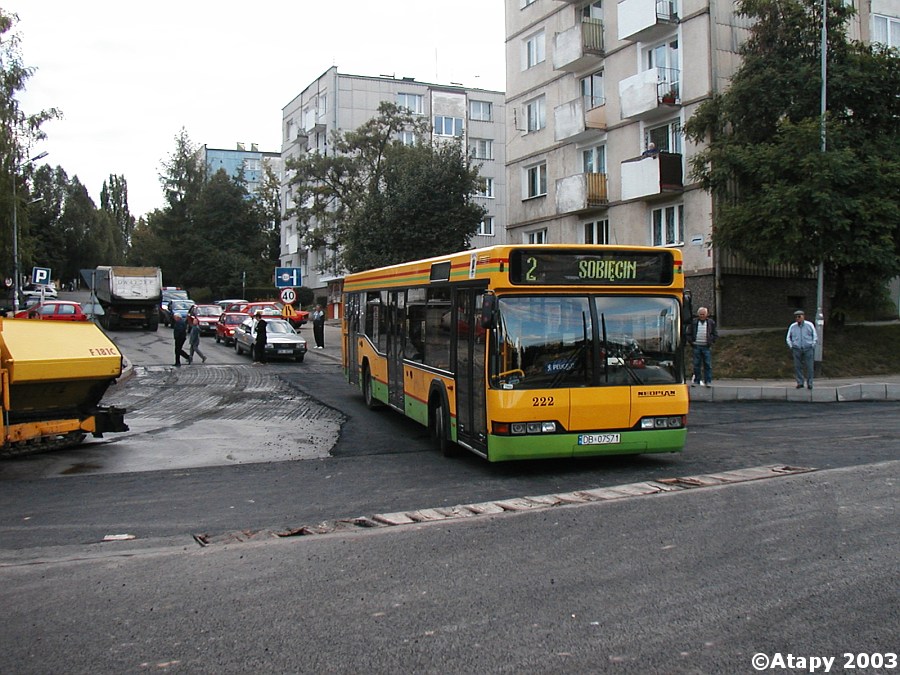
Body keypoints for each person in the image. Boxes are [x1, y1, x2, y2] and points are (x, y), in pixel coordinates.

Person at [686, 306, 718, 387]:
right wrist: (691, 342)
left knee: (707, 364)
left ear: (706, 314)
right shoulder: (694, 322)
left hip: (706, 346)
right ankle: (697, 380)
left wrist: (711, 341)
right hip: (696, 346)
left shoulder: (711, 322)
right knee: (696, 364)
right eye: (700, 314)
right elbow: (688, 333)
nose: (702, 316)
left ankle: (708, 381)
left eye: (703, 314)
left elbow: (715, 333)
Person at [786, 309, 817, 389]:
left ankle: (810, 383)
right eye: (796, 317)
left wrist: (812, 344)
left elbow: (815, 335)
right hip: (797, 349)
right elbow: (788, 337)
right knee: (798, 366)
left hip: (808, 348)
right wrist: (791, 345)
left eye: (799, 316)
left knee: (809, 366)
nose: (798, 318)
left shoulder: (809, 325)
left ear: (803, 316)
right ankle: (800, 382)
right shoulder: (793, 326)